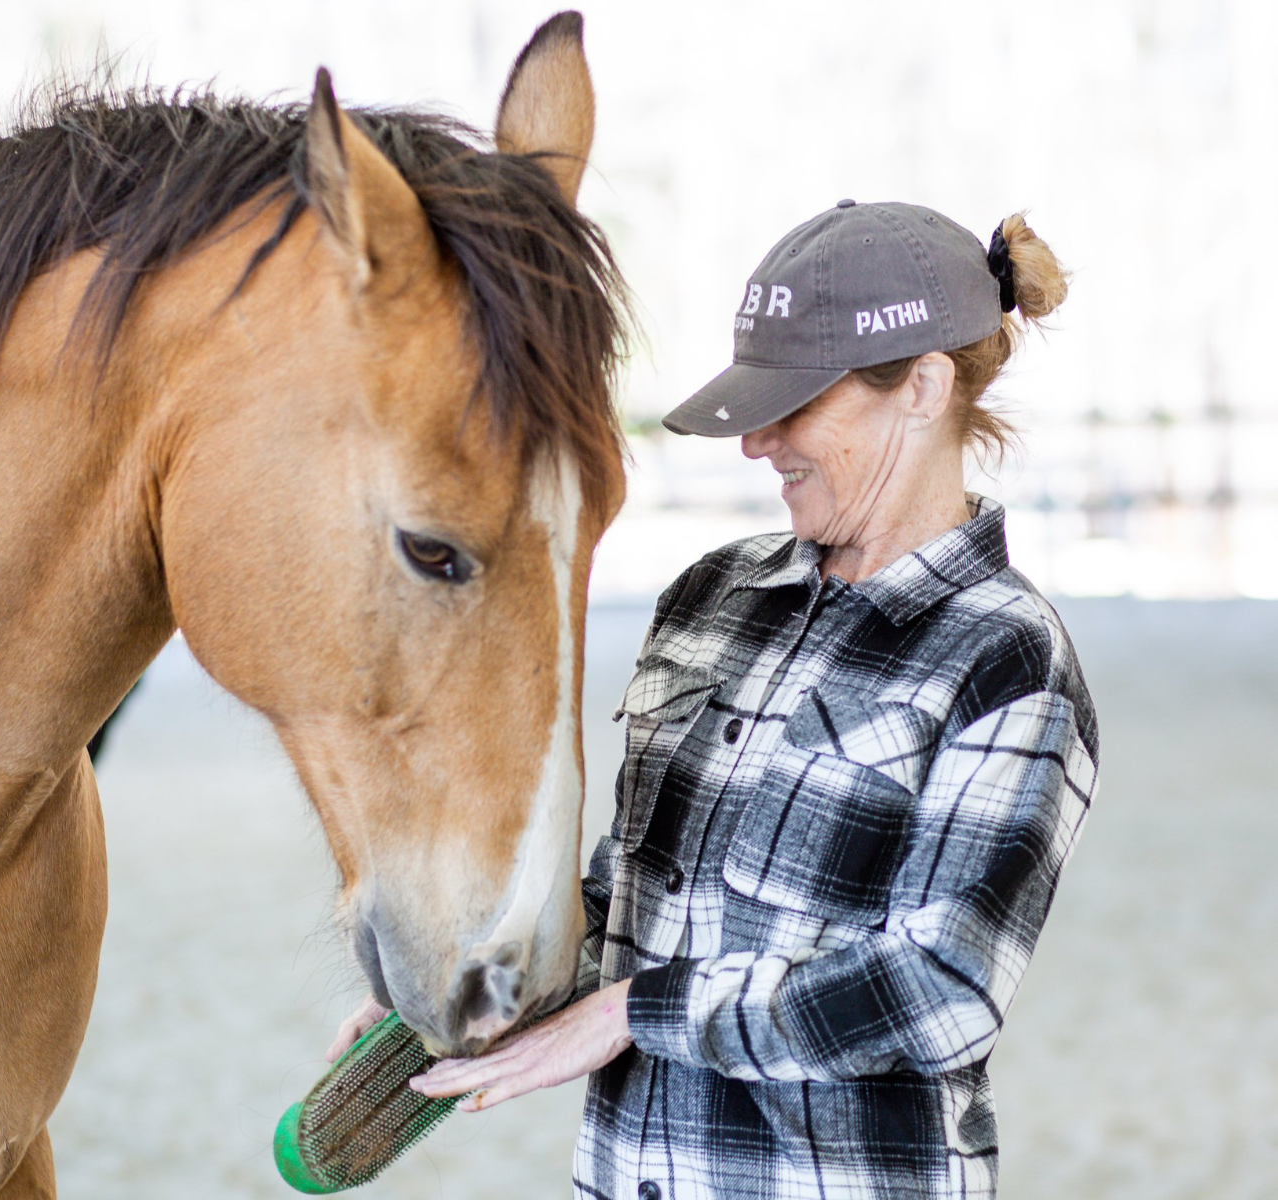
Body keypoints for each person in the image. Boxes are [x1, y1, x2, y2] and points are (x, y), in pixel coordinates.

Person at [348, 200, 1099, 1198]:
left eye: (797, 403)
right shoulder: (712, 599)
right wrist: (476, 985)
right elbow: (627, 905)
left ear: (922, 388)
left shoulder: (1007, 658)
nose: (758, 442)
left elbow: (939, 991)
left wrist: (629, 1013)